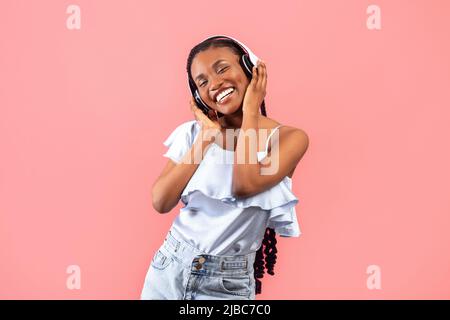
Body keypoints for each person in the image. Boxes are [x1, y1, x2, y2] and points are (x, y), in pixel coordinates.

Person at [140, 35, 309, 300]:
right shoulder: (193, 134)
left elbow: (245, 184)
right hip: (169, 266)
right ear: (197, 94)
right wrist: (207, 136)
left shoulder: (287, 139)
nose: (215, 84)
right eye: (202, 81)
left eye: (222, 69)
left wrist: (251, 109)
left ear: (249, 68)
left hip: (226, 284)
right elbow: (161, 201)